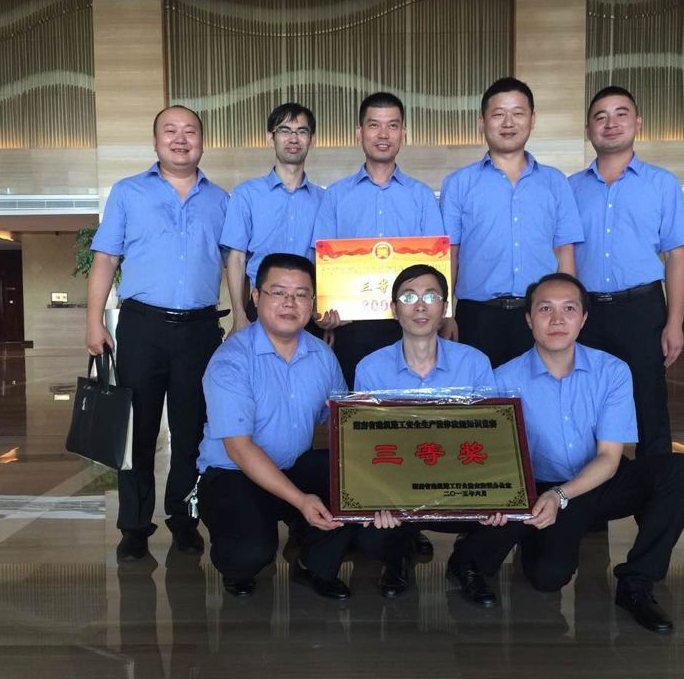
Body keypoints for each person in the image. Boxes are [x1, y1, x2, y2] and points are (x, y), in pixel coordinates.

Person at [449, 273, 684, 632]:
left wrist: (561, 495)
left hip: (596, 481)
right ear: (529, 319)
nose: (557, 319)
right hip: (539, 489)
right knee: (547, 577)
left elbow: (610, 458)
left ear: (583, 319)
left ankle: (637, 582)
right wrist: (535, 499)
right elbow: (496, 460)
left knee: (681, 471)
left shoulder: (612, 371)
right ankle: (490, 551)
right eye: (545, 309)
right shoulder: (502, 380)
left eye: (568, 309)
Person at [196, 253, 398, 599]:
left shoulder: (322, 355)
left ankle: (313, 563)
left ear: (312, 303)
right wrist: (301, 501)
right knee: (248, 554)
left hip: (294, 466)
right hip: (234, 473)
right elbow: (239, 449)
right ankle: (240, 555)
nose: (290, 302)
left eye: (301, 294)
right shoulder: (231, 360)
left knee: (355, 484)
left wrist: (362, 422)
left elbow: (338, 424)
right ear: (256, 297)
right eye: (278, 292)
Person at [86, 105, 228, 563]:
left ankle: (184, 521)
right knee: (137, 431)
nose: (180, 139)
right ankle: (133, 527)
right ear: (155, 141)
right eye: (171, 130)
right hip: (141, 327)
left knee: (192, 432)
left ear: (202, 141)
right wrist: (93, 321)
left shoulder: (221, 200)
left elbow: (235, 263)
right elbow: (105, 258)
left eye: (190, 131)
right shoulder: (128, 192)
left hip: (200, 330)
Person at [354, 264, 498, 597]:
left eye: (431, 297)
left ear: (444, 308)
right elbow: (365, 444)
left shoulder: (474, 363)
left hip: (459, 484)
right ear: (394, 309)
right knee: (367, 528)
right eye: (409, 297)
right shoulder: (370, 368)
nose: (420, 306)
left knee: (507, 512)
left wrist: (496, 494)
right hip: (396, 485)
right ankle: (398, 556)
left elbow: (491, 437)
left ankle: (465, 562)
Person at [569, 86, 684, 456]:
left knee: (649, 406)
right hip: (585, 313)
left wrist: (675, 323)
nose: (610, 123)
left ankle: (656, 490)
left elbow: (676, 257)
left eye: (620, 114)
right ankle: (588, 491)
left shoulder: (662, 184)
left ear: (637, 122)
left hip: (642, 310)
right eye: (600, 116)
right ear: (589, 129)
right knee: (585, 404)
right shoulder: (570, 188)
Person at [440, 77, 583, 367]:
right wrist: (446, 315)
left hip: (540, 315)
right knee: (480, 393)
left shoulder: (555, 182)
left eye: (518, 113)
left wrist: (571, 312)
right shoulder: (458, 183)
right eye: (498, 114)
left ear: (532, 120)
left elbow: (564, 252)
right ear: (482, 122)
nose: (508, 122)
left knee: (539, 391)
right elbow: (449, 254)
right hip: (477, 316)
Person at [311, 91, 445, 390]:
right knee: (356, 403)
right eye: (374, 125)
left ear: (403, 133)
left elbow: (436, 264)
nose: (383, 134)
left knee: (409, 402)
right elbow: (320, 260)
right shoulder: (336, 195)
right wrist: (323, 308)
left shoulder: (421, 195)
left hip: (411, 324)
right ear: (360, 132)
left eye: (392, 125)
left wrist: (444, 315)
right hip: (351, 326)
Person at [221, 103, 324, 337]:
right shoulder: (246, 194)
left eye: (302, 131)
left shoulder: (325, 200)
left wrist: (324, 314)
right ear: (271, 138)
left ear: (312, 139)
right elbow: (236, 259)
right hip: (261, 305)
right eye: (285, 130)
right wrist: (239, 315)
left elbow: (325, 260)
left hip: (308, 309)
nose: (293, 138)